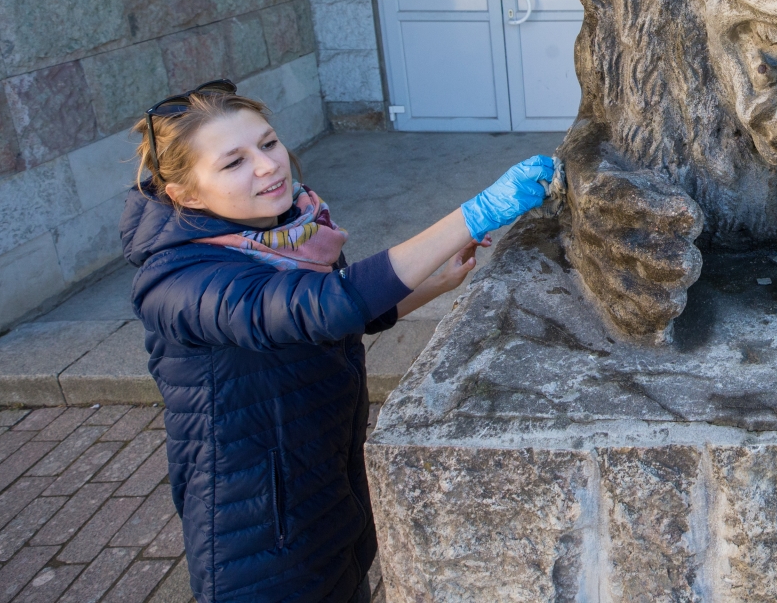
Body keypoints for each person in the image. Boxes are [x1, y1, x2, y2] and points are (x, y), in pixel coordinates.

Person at [121, 80, 553, 603]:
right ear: (185, 195)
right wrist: (475, 213)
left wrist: (436, 280)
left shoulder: (293, 231)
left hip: (326, 484)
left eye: (268, 142)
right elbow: (322, 306)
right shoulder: (177, 280)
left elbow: (341, 319)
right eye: (234, 162)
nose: (268, 165)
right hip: (258, 529)